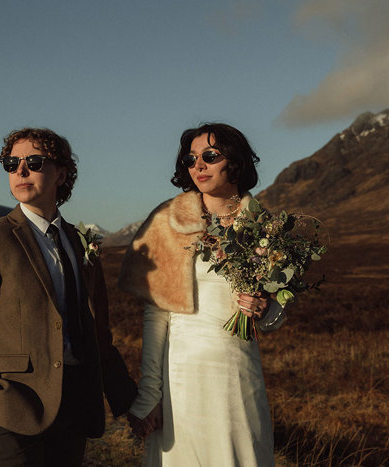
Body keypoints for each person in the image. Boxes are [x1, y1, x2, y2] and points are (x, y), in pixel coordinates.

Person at [0, 127, 137, 466]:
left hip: (75, 406)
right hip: (11, 409)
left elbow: (99, 335)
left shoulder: (81, 242)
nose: (20, 170)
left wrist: (128, 400)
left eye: (33, 162)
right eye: (11, 163)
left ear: (61, 173)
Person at [118, 123, 286, 466]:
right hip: (181, 375)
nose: (198, 166)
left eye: (210, 156)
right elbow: (156, 313)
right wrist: (150, 392)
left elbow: (276, 315)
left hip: (239, 374)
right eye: (191, 159)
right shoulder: (168, 220)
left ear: (234, 162)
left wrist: (265, 310)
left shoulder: (264, 228)